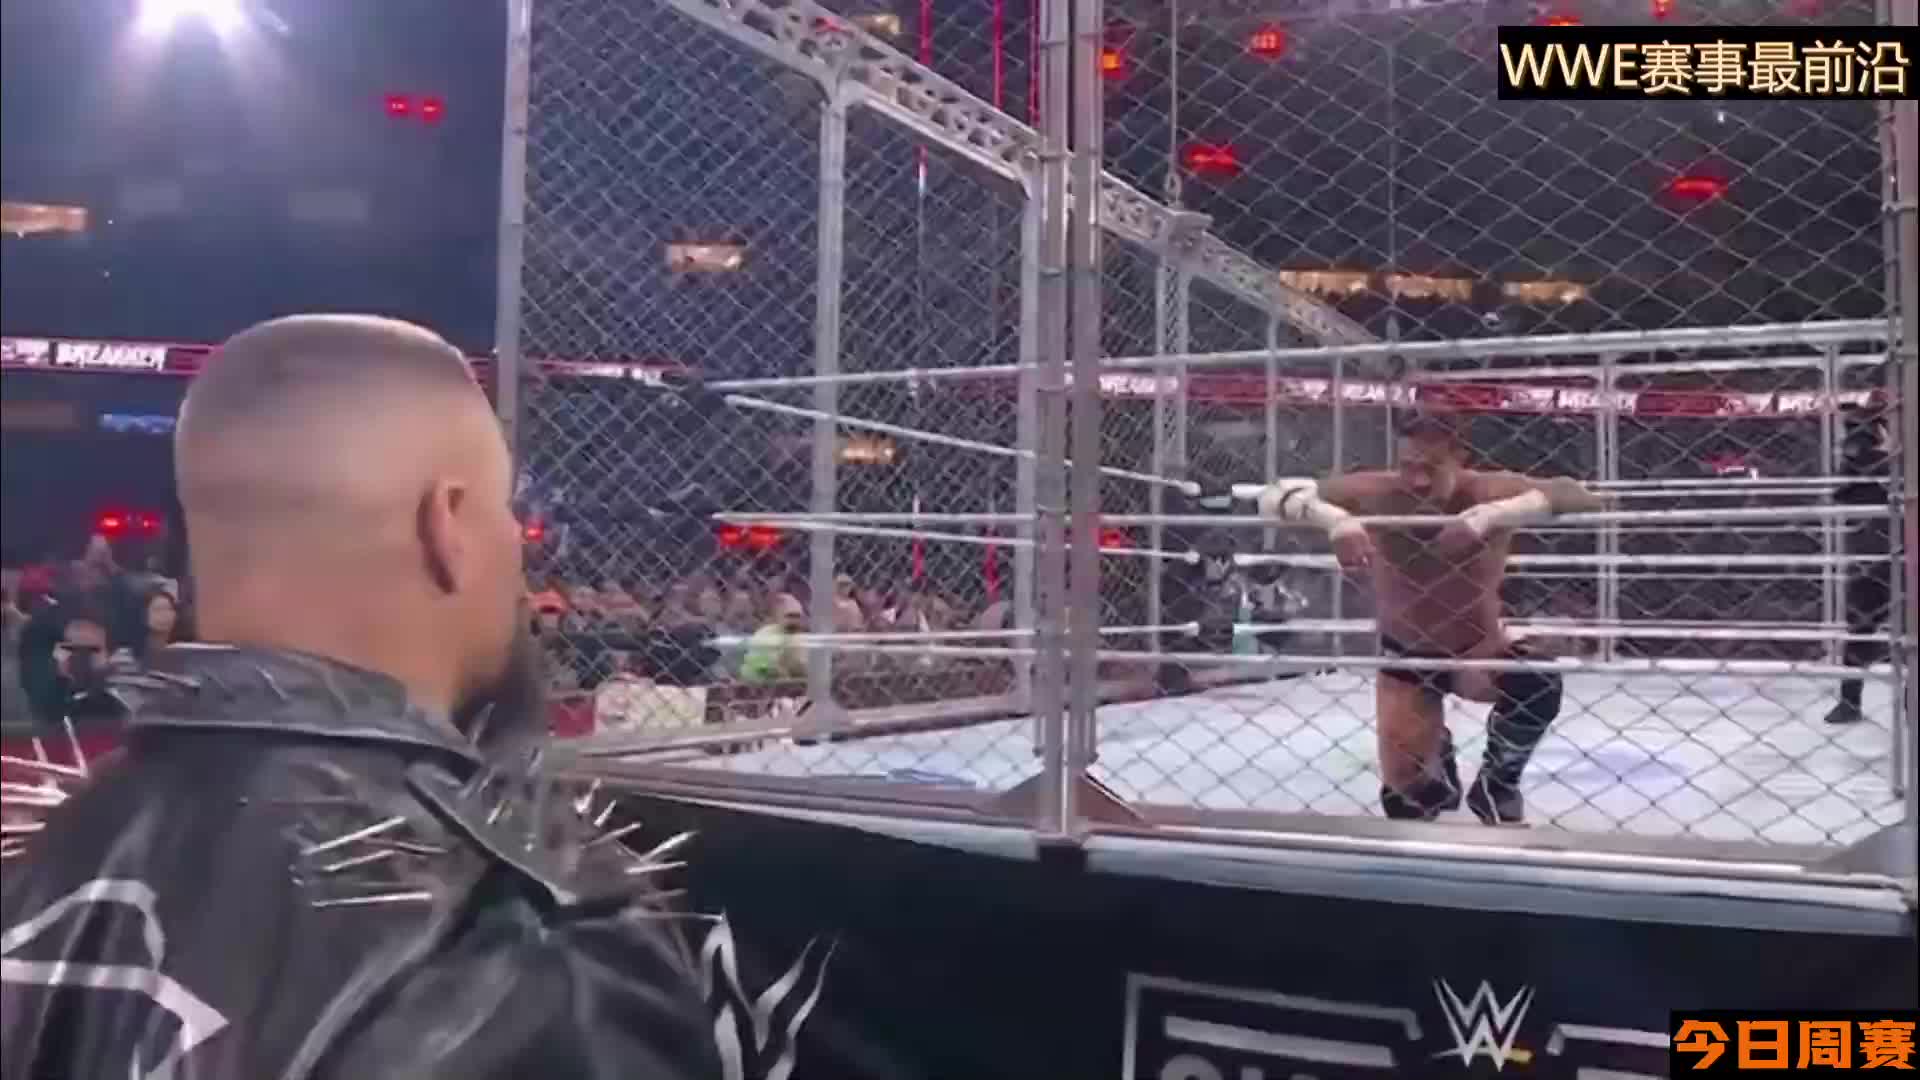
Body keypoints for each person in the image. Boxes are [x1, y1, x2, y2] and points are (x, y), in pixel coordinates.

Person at [0, 316, 723, 1079]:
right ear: (447, 523)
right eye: (507, 510)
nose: (519, 548)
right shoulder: (512, 944)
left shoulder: (45, 859)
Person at [1257, 411, 1608, 825]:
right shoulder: (1376, 492)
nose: (1418, 480)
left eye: (1432, 468)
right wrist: (1337, 521)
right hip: (1406, 659)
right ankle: (1434, 748)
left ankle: (1497, 784)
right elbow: (1273, 495)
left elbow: (1578, 494)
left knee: (1537, 683)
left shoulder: (1490, 491)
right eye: (1408, 466)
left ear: (1461, 458)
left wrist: (1489, 517)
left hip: (1475, 652)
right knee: (1410, 803)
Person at [1826, 404, 1893, 725]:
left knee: (1875, 630)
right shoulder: (1859, 463)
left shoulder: (1890, 461)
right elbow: (1841, 493)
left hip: (1896, 554)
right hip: (1873, 555)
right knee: (1860, 629)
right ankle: (1849, 701)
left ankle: (1853, 702)